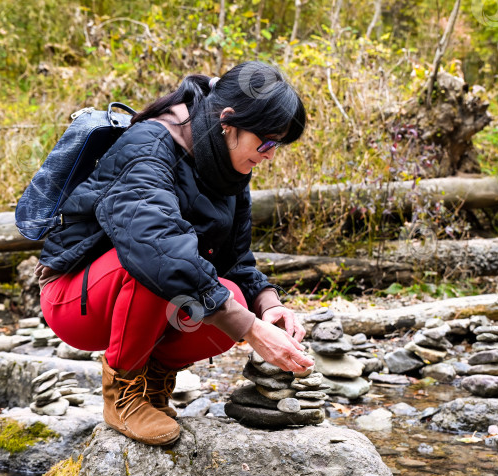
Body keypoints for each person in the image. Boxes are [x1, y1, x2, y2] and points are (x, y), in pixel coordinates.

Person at [35, 61, 313, 446]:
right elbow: (155, 248)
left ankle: (153, 384)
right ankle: (123, 393)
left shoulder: (229, 170)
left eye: (276, 146)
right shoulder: (148, 146)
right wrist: (250, 329)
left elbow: (235, 261)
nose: (269, 155)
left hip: (142, 300)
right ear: (228, 121)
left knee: (230, 295)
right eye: (265, 142)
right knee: (162, 263)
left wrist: (268, 305)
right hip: (74, 300)